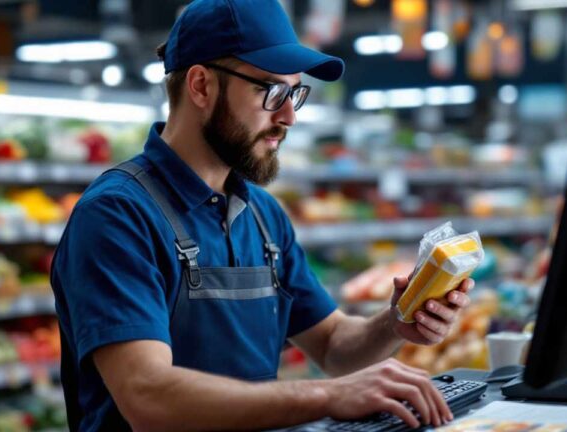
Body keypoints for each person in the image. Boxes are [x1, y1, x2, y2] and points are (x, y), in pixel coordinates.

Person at [50, 0, 474, 430]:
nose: (288, 116)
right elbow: (148, 397)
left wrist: (396, 322)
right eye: (270, 91)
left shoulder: (263, 215)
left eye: (294, 93)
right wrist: (327, 395)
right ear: (201, 86)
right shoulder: (118, 215)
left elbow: (331, 346)